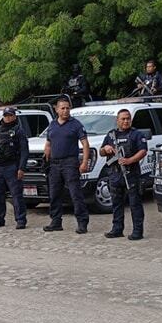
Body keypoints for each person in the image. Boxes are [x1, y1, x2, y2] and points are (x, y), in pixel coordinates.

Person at [43, 96, 91, 234]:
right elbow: (48, 142)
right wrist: (47, 152)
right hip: (54, 164)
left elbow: (85, 144)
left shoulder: (76, 124)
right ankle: (56, 221)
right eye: (62, 108)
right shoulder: (52, 124)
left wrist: (84, 162)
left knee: (75, 194)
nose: (65, 111)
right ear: (57, 110)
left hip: (70, 162)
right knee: (54, 194)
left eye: (67, 108)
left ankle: (82, 222)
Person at [100, 109, 148, 240]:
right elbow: (101, 152)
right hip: (115, 174)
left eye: (128, 118)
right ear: (117, 120)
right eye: (123, 119)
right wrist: (106, 149)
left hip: (131, 173)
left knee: (135, 204)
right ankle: (117, 229)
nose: (126, 121)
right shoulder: (111, 135)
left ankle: (137, 231)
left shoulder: (136, 134)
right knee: (116, 204)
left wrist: (129, 160)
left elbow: (143, 151)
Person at [0, 108, 29, 229]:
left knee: (16, 195)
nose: (8, 118)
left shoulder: (19, 131)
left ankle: (20, 220)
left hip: (12, 166)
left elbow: (25, 151)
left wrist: (21, 168)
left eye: (10, 115)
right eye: (6, 115)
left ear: (14, 116)